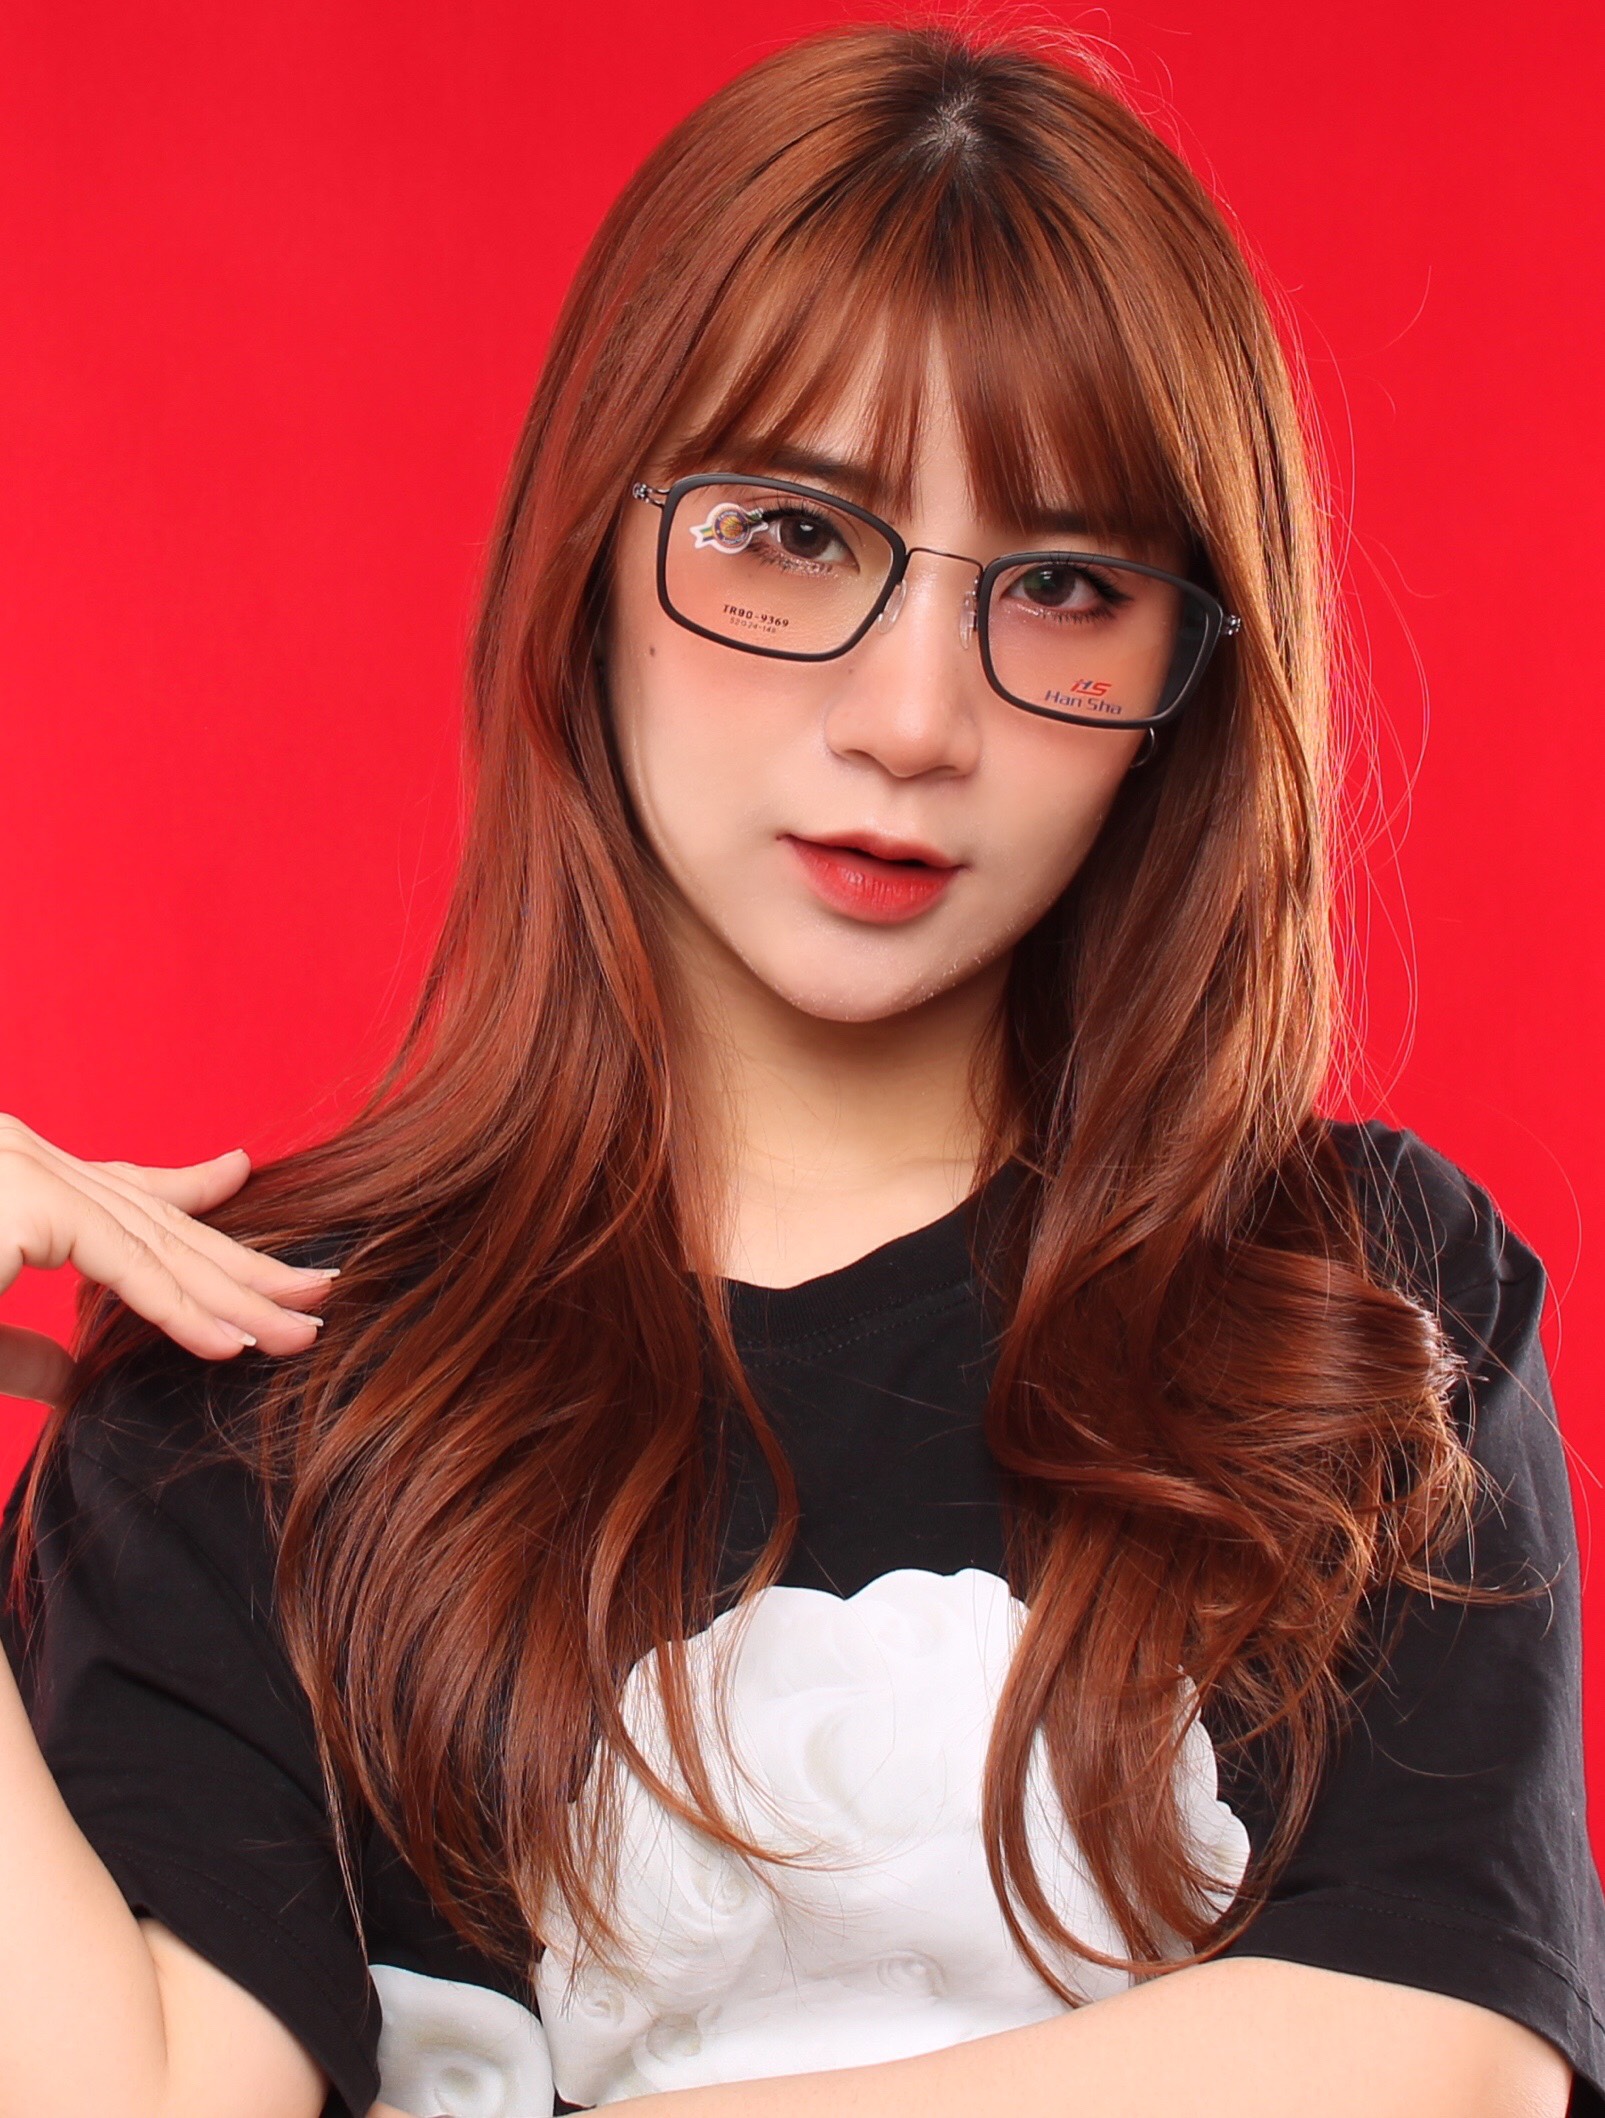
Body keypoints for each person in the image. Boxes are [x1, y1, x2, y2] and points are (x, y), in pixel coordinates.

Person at [0, 22, 1598, 2118]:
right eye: (788, 533)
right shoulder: (259, 1383)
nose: (910, 719)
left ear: (1186, 671)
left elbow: (1431, 2060)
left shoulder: (1343, 1305)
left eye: (1062, 585)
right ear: (593, 552)